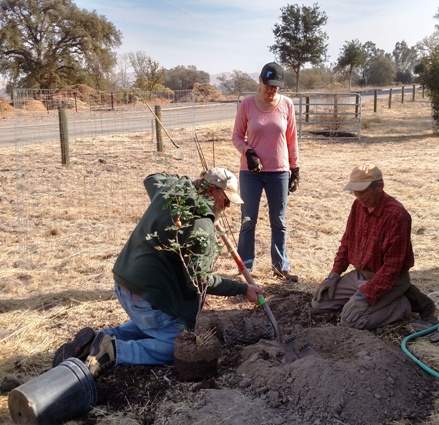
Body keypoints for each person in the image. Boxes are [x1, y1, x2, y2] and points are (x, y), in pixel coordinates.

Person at [53, 167, 264, 377]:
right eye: (225, 200)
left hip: (124, 282)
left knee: (154, 325)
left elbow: (152, 178)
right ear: (210, 191)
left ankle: (99, 340)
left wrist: (188, 184)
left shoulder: (171, 191)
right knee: (176, 344)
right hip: (144, 298)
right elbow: (200, 281)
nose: (226, 207)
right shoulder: (201, 228)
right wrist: (243, 288)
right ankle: (115, 351)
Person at [312, 164, 436, 330]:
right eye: (355, 192)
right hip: (361, 274)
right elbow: (347, 241)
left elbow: (392, 268)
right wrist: (334, 274)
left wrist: (365, 295)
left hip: (390, 280)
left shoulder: (396, 215)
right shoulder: (358, 206)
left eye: (363, 192)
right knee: (320, 302)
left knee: (351, 322)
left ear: (380, 187)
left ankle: (404, 303)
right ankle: (396, 296)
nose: (359, 197)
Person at [232, 62, 299, 282]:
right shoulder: (247, 105)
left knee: (279, 221)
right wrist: (248, 153)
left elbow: (291, 139)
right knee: (248, 220)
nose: (271, 90)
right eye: (268, 85)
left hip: (278, 171)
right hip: (250, 173)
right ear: (260, 81)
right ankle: (246, 269)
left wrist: (295, 168)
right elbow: (236, 137)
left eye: (276, 87)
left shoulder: (287, 105)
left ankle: (281, 267)